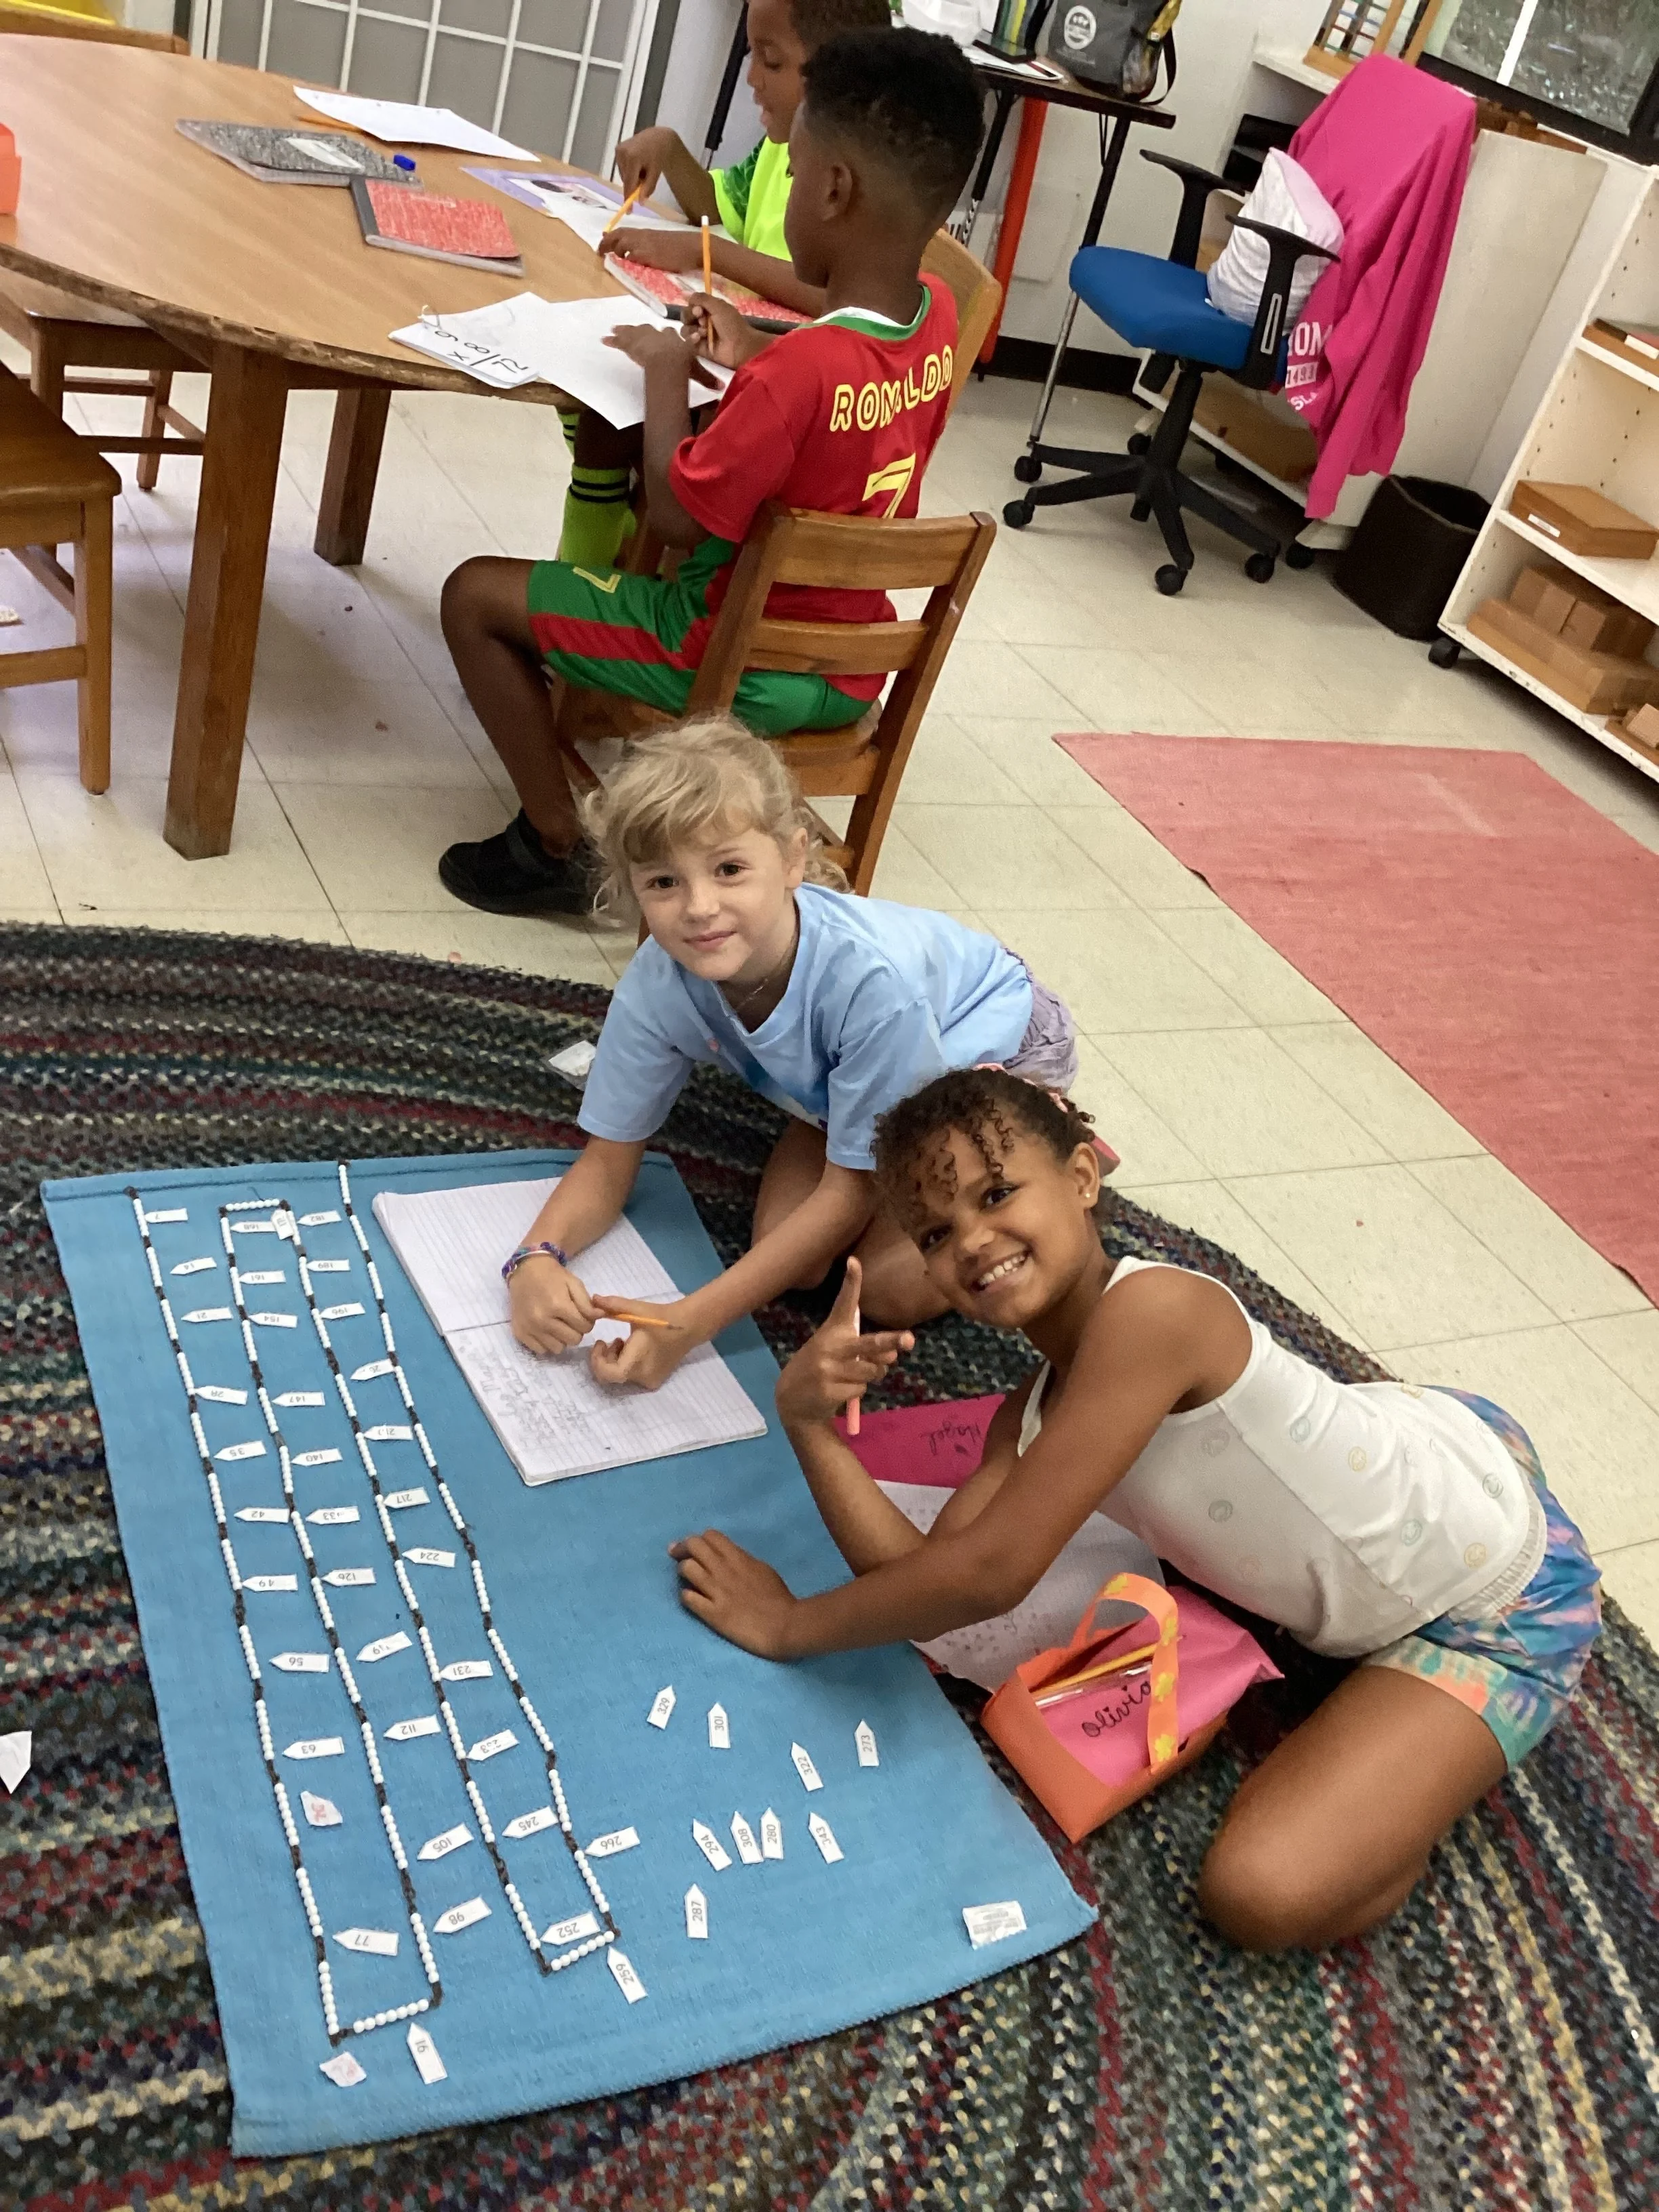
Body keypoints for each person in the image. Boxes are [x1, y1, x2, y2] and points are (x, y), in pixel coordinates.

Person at [668, 1068, 1603, 1955]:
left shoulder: (1154, 1313)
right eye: (937, 1234)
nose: (972, 1243)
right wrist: (809, 1424)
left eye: (995, 1196)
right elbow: (922, 1577)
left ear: (1082, 1177)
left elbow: (988, 1576)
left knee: (1259, 1893)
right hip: (1422, 1454)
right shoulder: (1027, 1410)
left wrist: (793, 1625)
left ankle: (1419, 1793)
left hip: (1498, 1602)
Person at [437, 26, 985, 917]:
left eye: (799, 172)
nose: (796, 187)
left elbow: (675, 508)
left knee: (471, 597)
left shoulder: (790, 381)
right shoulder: (934, 322)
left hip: (730, 650)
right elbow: (844, 375)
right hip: (847, 668)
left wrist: (663, 369)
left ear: (836, 189)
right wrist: (758, 340)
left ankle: (555, 841)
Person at [500, 722, 1089, 1391]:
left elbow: (845, 1195)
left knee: (891, 1290)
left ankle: (1051, 1136)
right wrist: (535, 1260)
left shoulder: (871, 984)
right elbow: (609, 1158)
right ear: (633, 889)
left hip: (999, 1047)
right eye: (664, 881)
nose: (700, 908)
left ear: (792, 860)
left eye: (728, 869)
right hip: (842, 1082)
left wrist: (687, 1325)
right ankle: (859, 1110)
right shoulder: (658, 981)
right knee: (795, 1258)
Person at [556, 0, 893, 575]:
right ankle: (606, 525)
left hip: (774, 386)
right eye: (750, 54)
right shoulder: (781, 147)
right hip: (749, 353)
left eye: (770, 62)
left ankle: (588, 572)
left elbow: (836, 299)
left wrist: (705, 251)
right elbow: (720, 206)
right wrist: (670, 149)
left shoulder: (848, 178)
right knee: (591, 371)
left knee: (607, 400)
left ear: (834, 74)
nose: (751, 78)